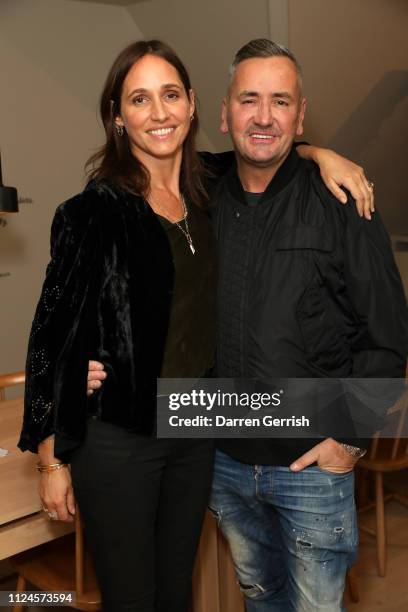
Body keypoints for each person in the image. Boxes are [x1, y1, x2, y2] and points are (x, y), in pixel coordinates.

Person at [20, 39, 374, 612]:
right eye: (139, 99)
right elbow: (46, 339)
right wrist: (52, 459)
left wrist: (318, 154)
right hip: (120, 441)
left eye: (170, 96)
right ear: (117, 115)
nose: (158, 113)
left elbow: (268, 142)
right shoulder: (93, 212)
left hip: (193, 434)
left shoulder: (206, 191)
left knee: (175, 592)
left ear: (193, 106)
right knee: (133, 599)